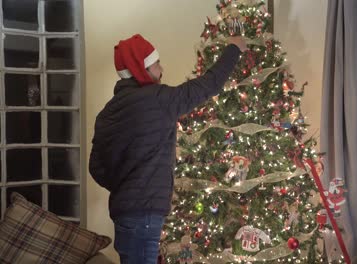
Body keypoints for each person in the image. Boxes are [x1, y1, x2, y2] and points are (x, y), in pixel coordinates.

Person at [89, 33, 247, 264]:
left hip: (124, 212)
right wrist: (234, 49)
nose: (161, 69)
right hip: (144, 216)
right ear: (141, 68)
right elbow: (208, 84)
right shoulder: (159, 99)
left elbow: (96, 168)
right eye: (156, 64)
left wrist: (127, 185)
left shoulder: (107, 112)